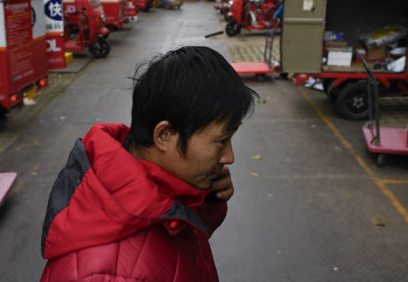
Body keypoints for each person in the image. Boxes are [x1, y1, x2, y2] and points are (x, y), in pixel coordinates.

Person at [40, 46, 257, 282]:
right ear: (164, 135)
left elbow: (173, 248)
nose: (229, 157)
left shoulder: (147, 191)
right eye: (222, 140)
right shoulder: (108, 275)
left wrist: (205, 202)